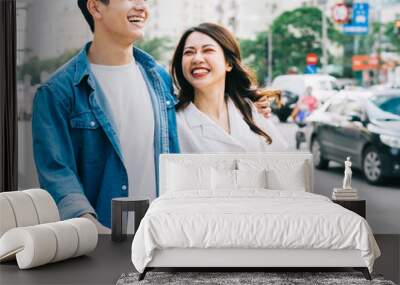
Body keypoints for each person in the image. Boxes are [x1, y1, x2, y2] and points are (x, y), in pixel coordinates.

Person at [32, 3, 271, 233]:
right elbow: (57, 172)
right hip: (102, 235)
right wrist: (87, 223)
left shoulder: (158, 78)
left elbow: (200, 104)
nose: (142, 7)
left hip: (163, 232)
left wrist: (248, 102)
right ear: (96, 7)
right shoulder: (57, 92)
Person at [171, 23, 287, 153]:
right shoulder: (174, 122)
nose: (197, 58)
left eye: (208, 50)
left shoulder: (251, 111)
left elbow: (279, 164)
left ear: (229, 63)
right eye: (189, 52)